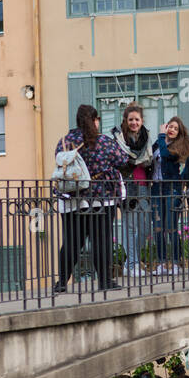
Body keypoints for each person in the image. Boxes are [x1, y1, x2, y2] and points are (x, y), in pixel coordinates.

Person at [54, 105, 129, 294]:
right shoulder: (103, 141)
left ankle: (62, 282)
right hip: (101, 197)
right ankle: (104, 280)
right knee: (101, 240)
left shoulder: (64, 142)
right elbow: (122, 161)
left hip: (72, 197)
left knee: (71, 241)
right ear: (94, 120)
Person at [111, 103, 157, 278]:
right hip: (127, 186)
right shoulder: (119, 138)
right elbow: (118, 162)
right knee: (129, 227)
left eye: (137, 119)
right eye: (131, 119)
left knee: (145, 228)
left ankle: (132, 260)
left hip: (144, 185)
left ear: (142, 121)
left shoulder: (146, 137)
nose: (134, 122)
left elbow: (149, 160)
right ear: (126, 120)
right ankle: (132, 264)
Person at [153, 117, 189, 272]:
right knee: (158, 228)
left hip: (172, 189)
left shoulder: (178, 147)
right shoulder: (158, 143)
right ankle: (162, 263)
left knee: (171, 227)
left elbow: (164, 155)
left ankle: (176, 262)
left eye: (175, 128)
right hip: (157, 189)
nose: (171, 130)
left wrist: (161, 135)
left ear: (179, 133)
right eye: (170, 126)